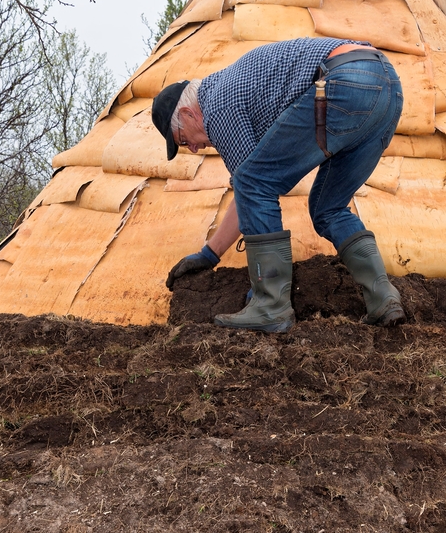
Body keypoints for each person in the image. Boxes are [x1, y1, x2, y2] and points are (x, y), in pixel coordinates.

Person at [151, 37, 405, 334]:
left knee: (253, 181)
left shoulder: (217, 104)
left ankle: (270, 306)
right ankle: (383, 299)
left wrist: (231, 267)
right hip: (387, 85)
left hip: (344, 82)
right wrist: (210, 254)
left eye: (183, 140)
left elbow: (251, 188)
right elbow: (250, 193)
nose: (192, 149)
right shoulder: (232, 90)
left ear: (187, 114)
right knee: (328, 207)